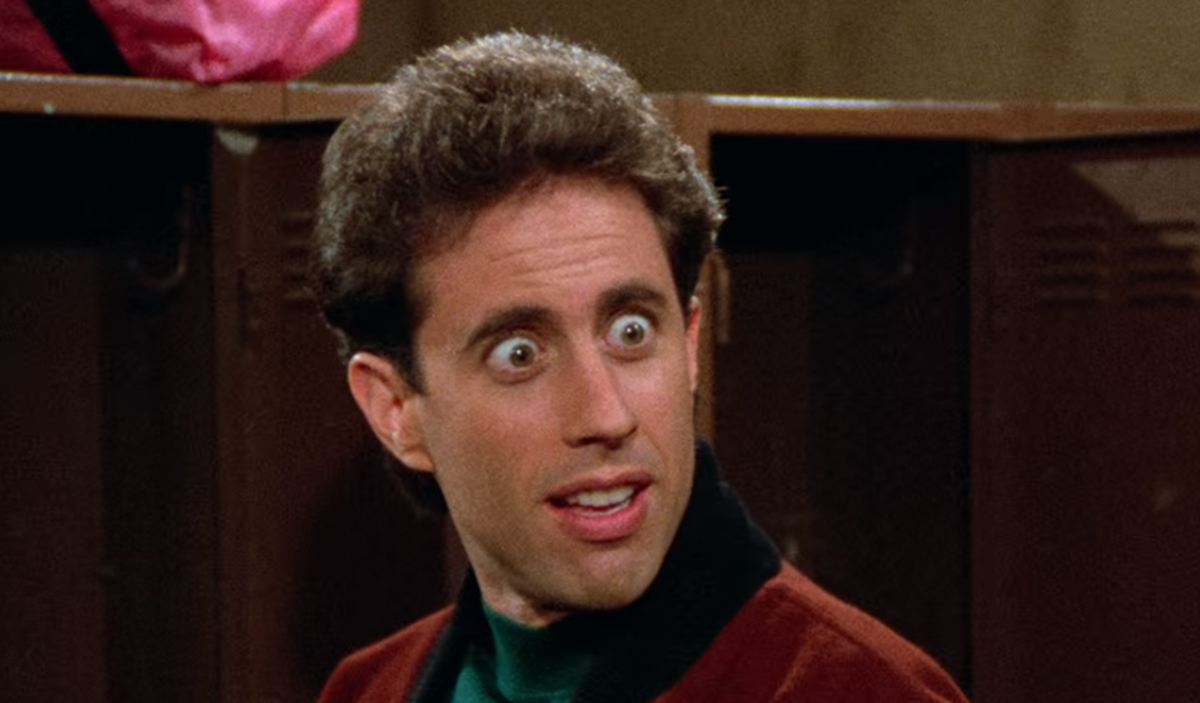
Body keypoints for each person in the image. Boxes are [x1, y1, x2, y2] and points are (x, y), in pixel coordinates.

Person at [310, 30, 969, 703]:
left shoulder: (856, 687)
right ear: (396, 409)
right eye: (519, 354)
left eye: (631, 331)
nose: (606, 414)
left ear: (688, 344)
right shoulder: (366, 689)